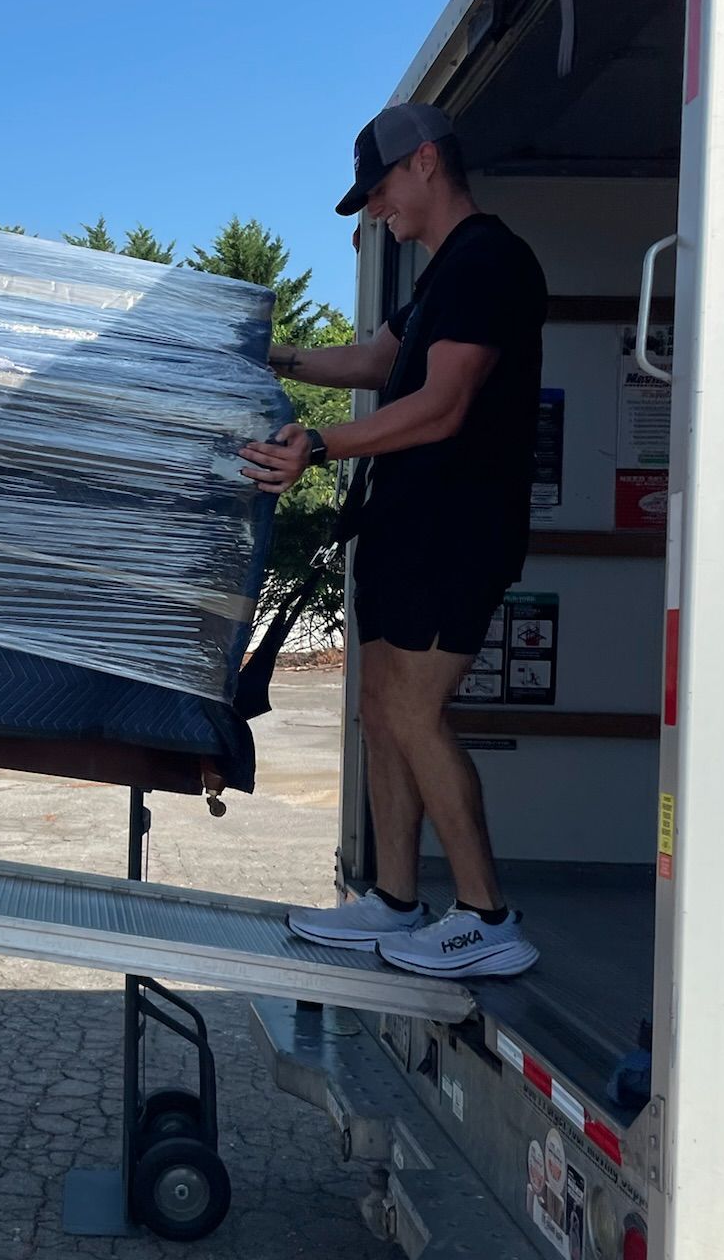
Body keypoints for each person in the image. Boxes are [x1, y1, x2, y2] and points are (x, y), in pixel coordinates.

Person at [239, 103, 545, 979]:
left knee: (412, 711)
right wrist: (264, 357)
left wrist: (321, 445)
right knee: (379, 712)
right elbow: (375, 363)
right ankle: (393, 902)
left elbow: (443, 406)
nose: (375, 211)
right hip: (407, 525)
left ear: (422, 164)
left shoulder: (489, 261)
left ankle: (487, 915)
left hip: (457, 528)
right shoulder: (443, 273)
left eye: (375, 191)